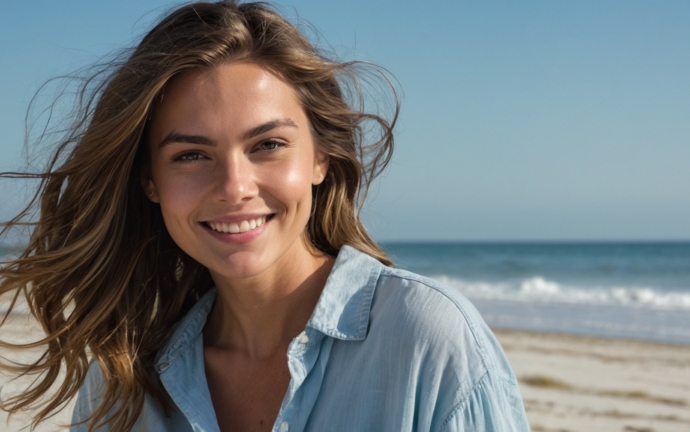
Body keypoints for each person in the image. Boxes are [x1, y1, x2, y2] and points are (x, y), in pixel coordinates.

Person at [0, 2, 529, 431]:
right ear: (150, 183)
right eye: (191, 155)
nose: (234, 187)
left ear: (321, 157)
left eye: (268, 144)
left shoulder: (426, 342)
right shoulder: (122, 378)